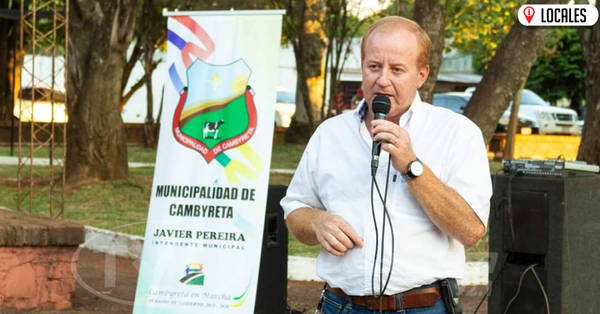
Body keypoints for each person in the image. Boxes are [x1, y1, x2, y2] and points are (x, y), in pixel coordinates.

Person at [281, 16, 492, 313]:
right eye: (374, 67)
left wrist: (412, 166)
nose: (383, 80)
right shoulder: (330, 133)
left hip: (423, 307)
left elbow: (470, 231)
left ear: (421, 75)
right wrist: (317, 223)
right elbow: (295, 209)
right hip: (340, 305)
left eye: (397, 69)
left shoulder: (457, 133)